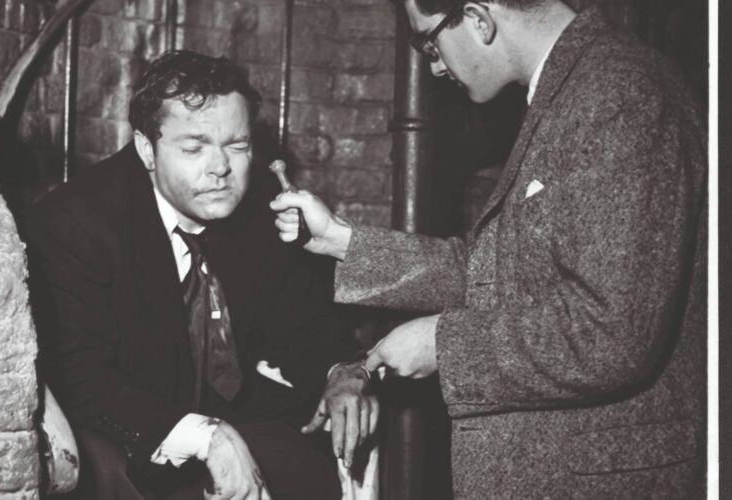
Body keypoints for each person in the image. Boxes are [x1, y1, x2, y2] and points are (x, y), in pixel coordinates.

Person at [271, 0, 707, 497]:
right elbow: (495, 270)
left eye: (429, 41)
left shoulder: (618, 95)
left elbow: (611, 335)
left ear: (478, 19)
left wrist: (444, 345)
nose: (434, 67)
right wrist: (339, 239)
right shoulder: (577, 89)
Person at [26, 50, 377, 500]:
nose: (220, 169)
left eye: (238, 146)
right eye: (194, 148)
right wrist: (206, 436)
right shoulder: (74, 223)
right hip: (129, 440)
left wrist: (341, 372)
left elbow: (308, 322)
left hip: (244, 416)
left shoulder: (265, 204)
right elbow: (82, 381)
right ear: (146, 149)